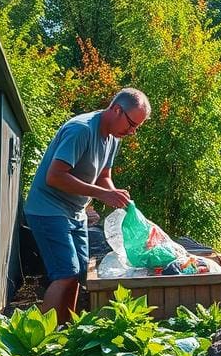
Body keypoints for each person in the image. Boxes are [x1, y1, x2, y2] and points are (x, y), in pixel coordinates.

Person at [25, 88, 150, 323]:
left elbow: (103, 175)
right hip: (48, 209)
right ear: (116, 109)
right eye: (132, 124)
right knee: (65, 273)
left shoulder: (113, 137)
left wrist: (115, 195)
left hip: (75, 212)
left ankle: (66, 331)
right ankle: (39, 339)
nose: (132, 132)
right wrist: (103, 194)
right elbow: (55, 177)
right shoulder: (81, 129)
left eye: (137, 127)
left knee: (79, 273)